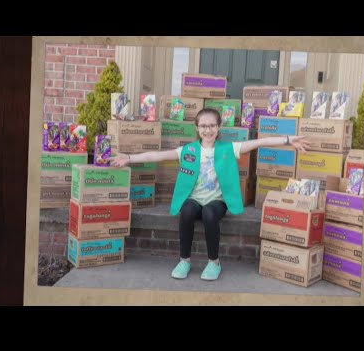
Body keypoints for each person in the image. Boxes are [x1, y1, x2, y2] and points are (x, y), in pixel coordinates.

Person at [110, 108, 311, 281]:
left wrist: (288, 139)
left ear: (219, 127)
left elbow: (260, 142)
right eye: (204, 126)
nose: (208, 130)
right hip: (195, 200)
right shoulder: (188, 150)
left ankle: (214, 262)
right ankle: (184, 261)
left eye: (212, 126)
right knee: (187, 209)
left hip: (217, 203)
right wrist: (128, 158)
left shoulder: (230, 148)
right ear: (197, 128)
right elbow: (157, 155)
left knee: (209, 212)